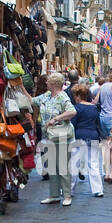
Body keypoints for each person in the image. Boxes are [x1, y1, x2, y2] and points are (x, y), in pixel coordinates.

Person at [33, 71, 76, 206]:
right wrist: (21, 87)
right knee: (52, 166)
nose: (46, 83)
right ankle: (54, 194)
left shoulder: (62, 97)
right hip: (48, 136)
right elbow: (32, 101)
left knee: (63, 167)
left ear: (54, 84)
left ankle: (67, 195)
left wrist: (56, 118)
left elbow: (72, 111)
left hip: (62, 136)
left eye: (48, 81)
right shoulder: (46, 96)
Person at [69, 83, 104, 197]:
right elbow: (98, 124)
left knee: (75, 164)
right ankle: (98, 189)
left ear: (78, 96)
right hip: (93, 136)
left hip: (79, 136)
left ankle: (70, 189)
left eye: (75, 96)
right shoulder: (94, 108)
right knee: (93, 164)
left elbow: (73, 124)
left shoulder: (76, 108)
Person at [97, 67, 112, 185]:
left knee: (106, 145)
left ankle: (106, 173)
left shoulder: (103, 86)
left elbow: (95, 101)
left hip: (102, 117)